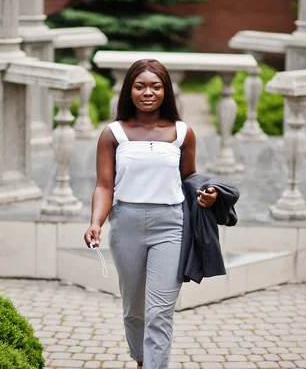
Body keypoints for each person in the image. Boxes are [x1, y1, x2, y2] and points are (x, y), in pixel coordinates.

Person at [83, 59, 218, 369]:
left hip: (170, 226)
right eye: (140, 86)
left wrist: (207, 197)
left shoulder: (183, 133)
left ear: (166, 91)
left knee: (160, 312)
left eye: (155, 86)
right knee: (134, 309)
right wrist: (96, 223)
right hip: (126, 224)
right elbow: (104, 186)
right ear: (129, 91)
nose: (148, 92)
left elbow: (189, 181)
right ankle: (142, 359)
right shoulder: (113, 133)